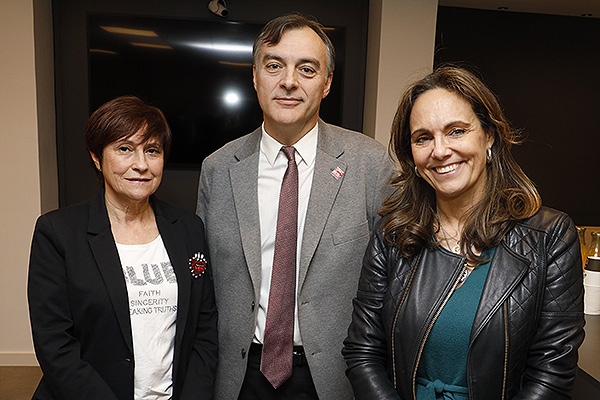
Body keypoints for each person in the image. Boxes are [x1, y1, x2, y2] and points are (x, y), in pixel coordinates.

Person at [343, 65, 585, 399]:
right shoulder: (393, 234)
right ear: (411, 154)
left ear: (489, 136)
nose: (439, 151)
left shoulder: (550, 237)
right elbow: (363, 352)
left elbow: (551, 374)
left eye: (456, 131)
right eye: (423, 138)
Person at [197, 12, 393, 400]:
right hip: (239, 376)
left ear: (327, 82)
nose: (288, 81)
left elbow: (396, 282)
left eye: (306, 68)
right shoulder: (218, 170)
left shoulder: (370, 164)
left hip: (335, 378)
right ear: (255, 77)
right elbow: (203, 284)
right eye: (274, 65)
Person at [28, 96, 218, 400]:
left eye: (152, 151)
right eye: (125, 149)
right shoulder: (58, 233)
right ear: (96, 158)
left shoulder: (188, 229)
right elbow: (55, 344)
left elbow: (205, 328)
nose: (141, 164)